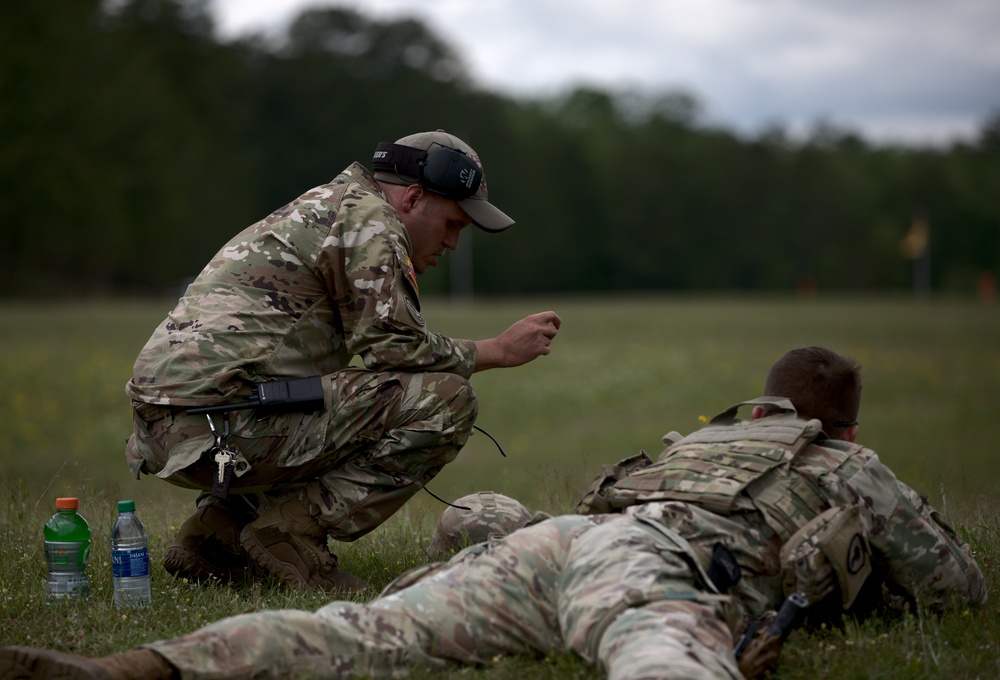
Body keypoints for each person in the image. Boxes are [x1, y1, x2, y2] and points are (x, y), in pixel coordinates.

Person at [4, 347, 984, 680]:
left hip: (557, 542)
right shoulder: (840, 458)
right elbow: (953, 583)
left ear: (759, 401)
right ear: (840, 422)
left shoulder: (701, 441)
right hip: (651, 570)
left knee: (364, 630)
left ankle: (141, 666)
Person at [122, 129, 561, 593]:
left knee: (326, 397)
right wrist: (499, 350)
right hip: (218, 425)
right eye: (453, 224)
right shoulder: (371, 223)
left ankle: (213, 537)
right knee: (442, 401)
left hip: (177, 426)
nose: (452, 243)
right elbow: (397, 350)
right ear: (413, 197)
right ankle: (290, 535)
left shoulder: (332, 205)